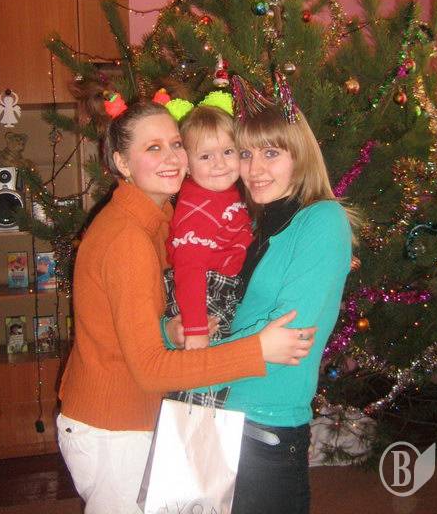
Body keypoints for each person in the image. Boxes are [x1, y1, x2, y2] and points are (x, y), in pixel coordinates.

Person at [56, 101, 316, 514]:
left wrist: (168, 330)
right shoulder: (127, 239)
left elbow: (121, 322)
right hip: (114, 429)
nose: (172, 157)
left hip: (128, 418)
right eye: (153, 148)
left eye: (176, 144)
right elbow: (150, 370)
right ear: (122, 162)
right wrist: (257, 351)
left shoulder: (156, 220)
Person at [194, 102, 355, 514]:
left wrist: (190, 359)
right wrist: (177, 333)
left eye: (271, 153)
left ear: (300, 155)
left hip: (263, 425)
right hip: (210, 411)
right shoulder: (254, 225)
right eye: (246, 153)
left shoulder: (322, 220)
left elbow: (290, 336)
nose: (255, 169)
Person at [166, 104, 252, 350]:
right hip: (203, 296)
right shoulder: (197, 207)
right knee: (212, 369)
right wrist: (195, 329)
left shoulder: (226, 191)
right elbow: (189, 269)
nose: (220, 164)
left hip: (223, 288)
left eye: (228, 151)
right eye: (206, 156)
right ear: (187, 165)